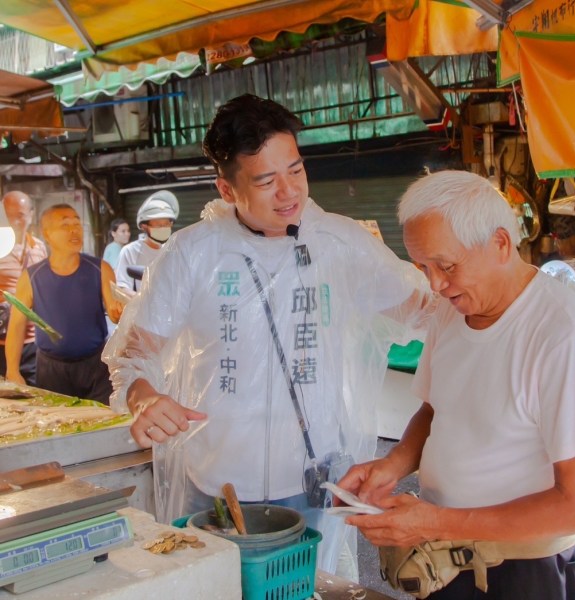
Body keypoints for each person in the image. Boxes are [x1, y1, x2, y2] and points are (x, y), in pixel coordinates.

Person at [102, 94, 432, 578]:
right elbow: (134, 354)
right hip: (215, 484)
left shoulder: (339, 242)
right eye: (266, 180)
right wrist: (143, 396)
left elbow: (429, 310)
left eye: (295, 171)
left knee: (306, 587)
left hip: (313, 479)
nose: (288, 192)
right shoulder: (194, 253)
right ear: (227, 187)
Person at [338, 170, 575, 599]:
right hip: (446, 562)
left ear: (501, 244)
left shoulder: (563, 334)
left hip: (525, 570)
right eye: (422, 267)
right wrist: (391, 464)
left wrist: (432, 521)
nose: (434, 283)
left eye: (446, 266)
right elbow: (435, 411)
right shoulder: (452, 311)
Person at [5, 205, 122, 403]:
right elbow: (16, 326)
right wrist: (12, 370)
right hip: (51, 369)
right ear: (47, 234)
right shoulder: (31, 277)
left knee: (101, 422)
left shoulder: (101, 268)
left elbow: (114, 311)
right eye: (65, 225)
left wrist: (120, 310)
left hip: (95, 364)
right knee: (59, 426)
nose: (74, 230)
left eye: (77, 223)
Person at [0, 191, 48, 385]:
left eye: (20, 215)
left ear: (30, 214)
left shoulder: (39, 247)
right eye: (8, 215)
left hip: (31, 342)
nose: (14, 221)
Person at [115, 191, 178, 293]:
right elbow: (123, 287)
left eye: (167, 224)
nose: (164, 228)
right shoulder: (130, 251)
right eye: (158, 224)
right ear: (144, 226)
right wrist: (142, 303)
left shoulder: (174, 250)